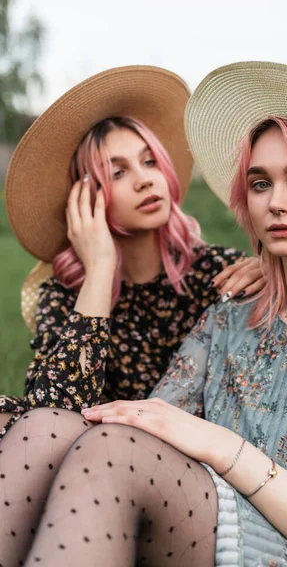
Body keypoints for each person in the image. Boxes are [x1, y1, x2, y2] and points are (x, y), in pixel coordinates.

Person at [4, 61, 287, 566]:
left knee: (107, 449)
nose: (277, 202)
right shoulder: (229, 315)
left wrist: (221, 445)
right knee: (45, 430)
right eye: (260, 184)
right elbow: (138, 422)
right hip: (193, 515)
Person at [0, 66, 264, 564]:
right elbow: (51, 409)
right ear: (87, 199)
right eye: (118, 172)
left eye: (149, 161)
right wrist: (99, 268)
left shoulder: (219, 274)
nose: (145, 179)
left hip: (183, 486)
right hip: (79, 470)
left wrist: (272, 270)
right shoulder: (69, 293)